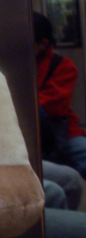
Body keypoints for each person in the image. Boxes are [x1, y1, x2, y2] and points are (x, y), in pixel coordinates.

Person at [34, 11, 86, 177]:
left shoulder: (63, 66)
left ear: (43, 44)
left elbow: (52, 106)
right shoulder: (12, 63)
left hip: (58, 132)